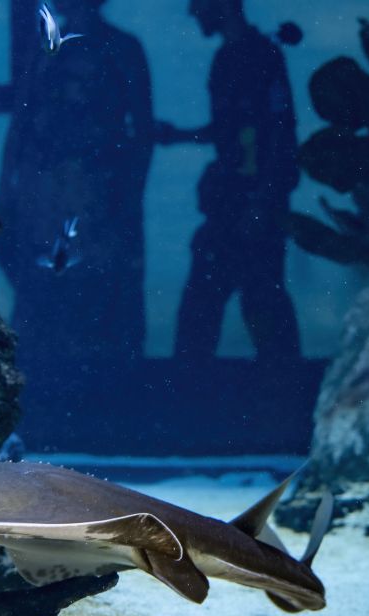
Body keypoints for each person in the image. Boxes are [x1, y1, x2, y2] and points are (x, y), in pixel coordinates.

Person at [0, 0, 154, 439]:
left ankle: (103, 406)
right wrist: (8, 192)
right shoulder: (46, 48)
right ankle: (42, 401)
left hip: (100, 194)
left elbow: (142, 130)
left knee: (101, 295)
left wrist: (127, 198)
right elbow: (22, 121)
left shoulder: (122, 49)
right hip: (46, 195)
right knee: (44, 291)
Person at [158, 0, 301, 369]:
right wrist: (179, 136)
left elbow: (279, 133)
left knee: (255, 300)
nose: (193, 12)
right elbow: (232, 130)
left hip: (252, 207)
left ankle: (280, 384)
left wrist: (262, 203)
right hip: (234, 205)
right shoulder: (230, 58)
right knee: (220, 302)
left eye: (198, 4)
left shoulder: (260, 56)